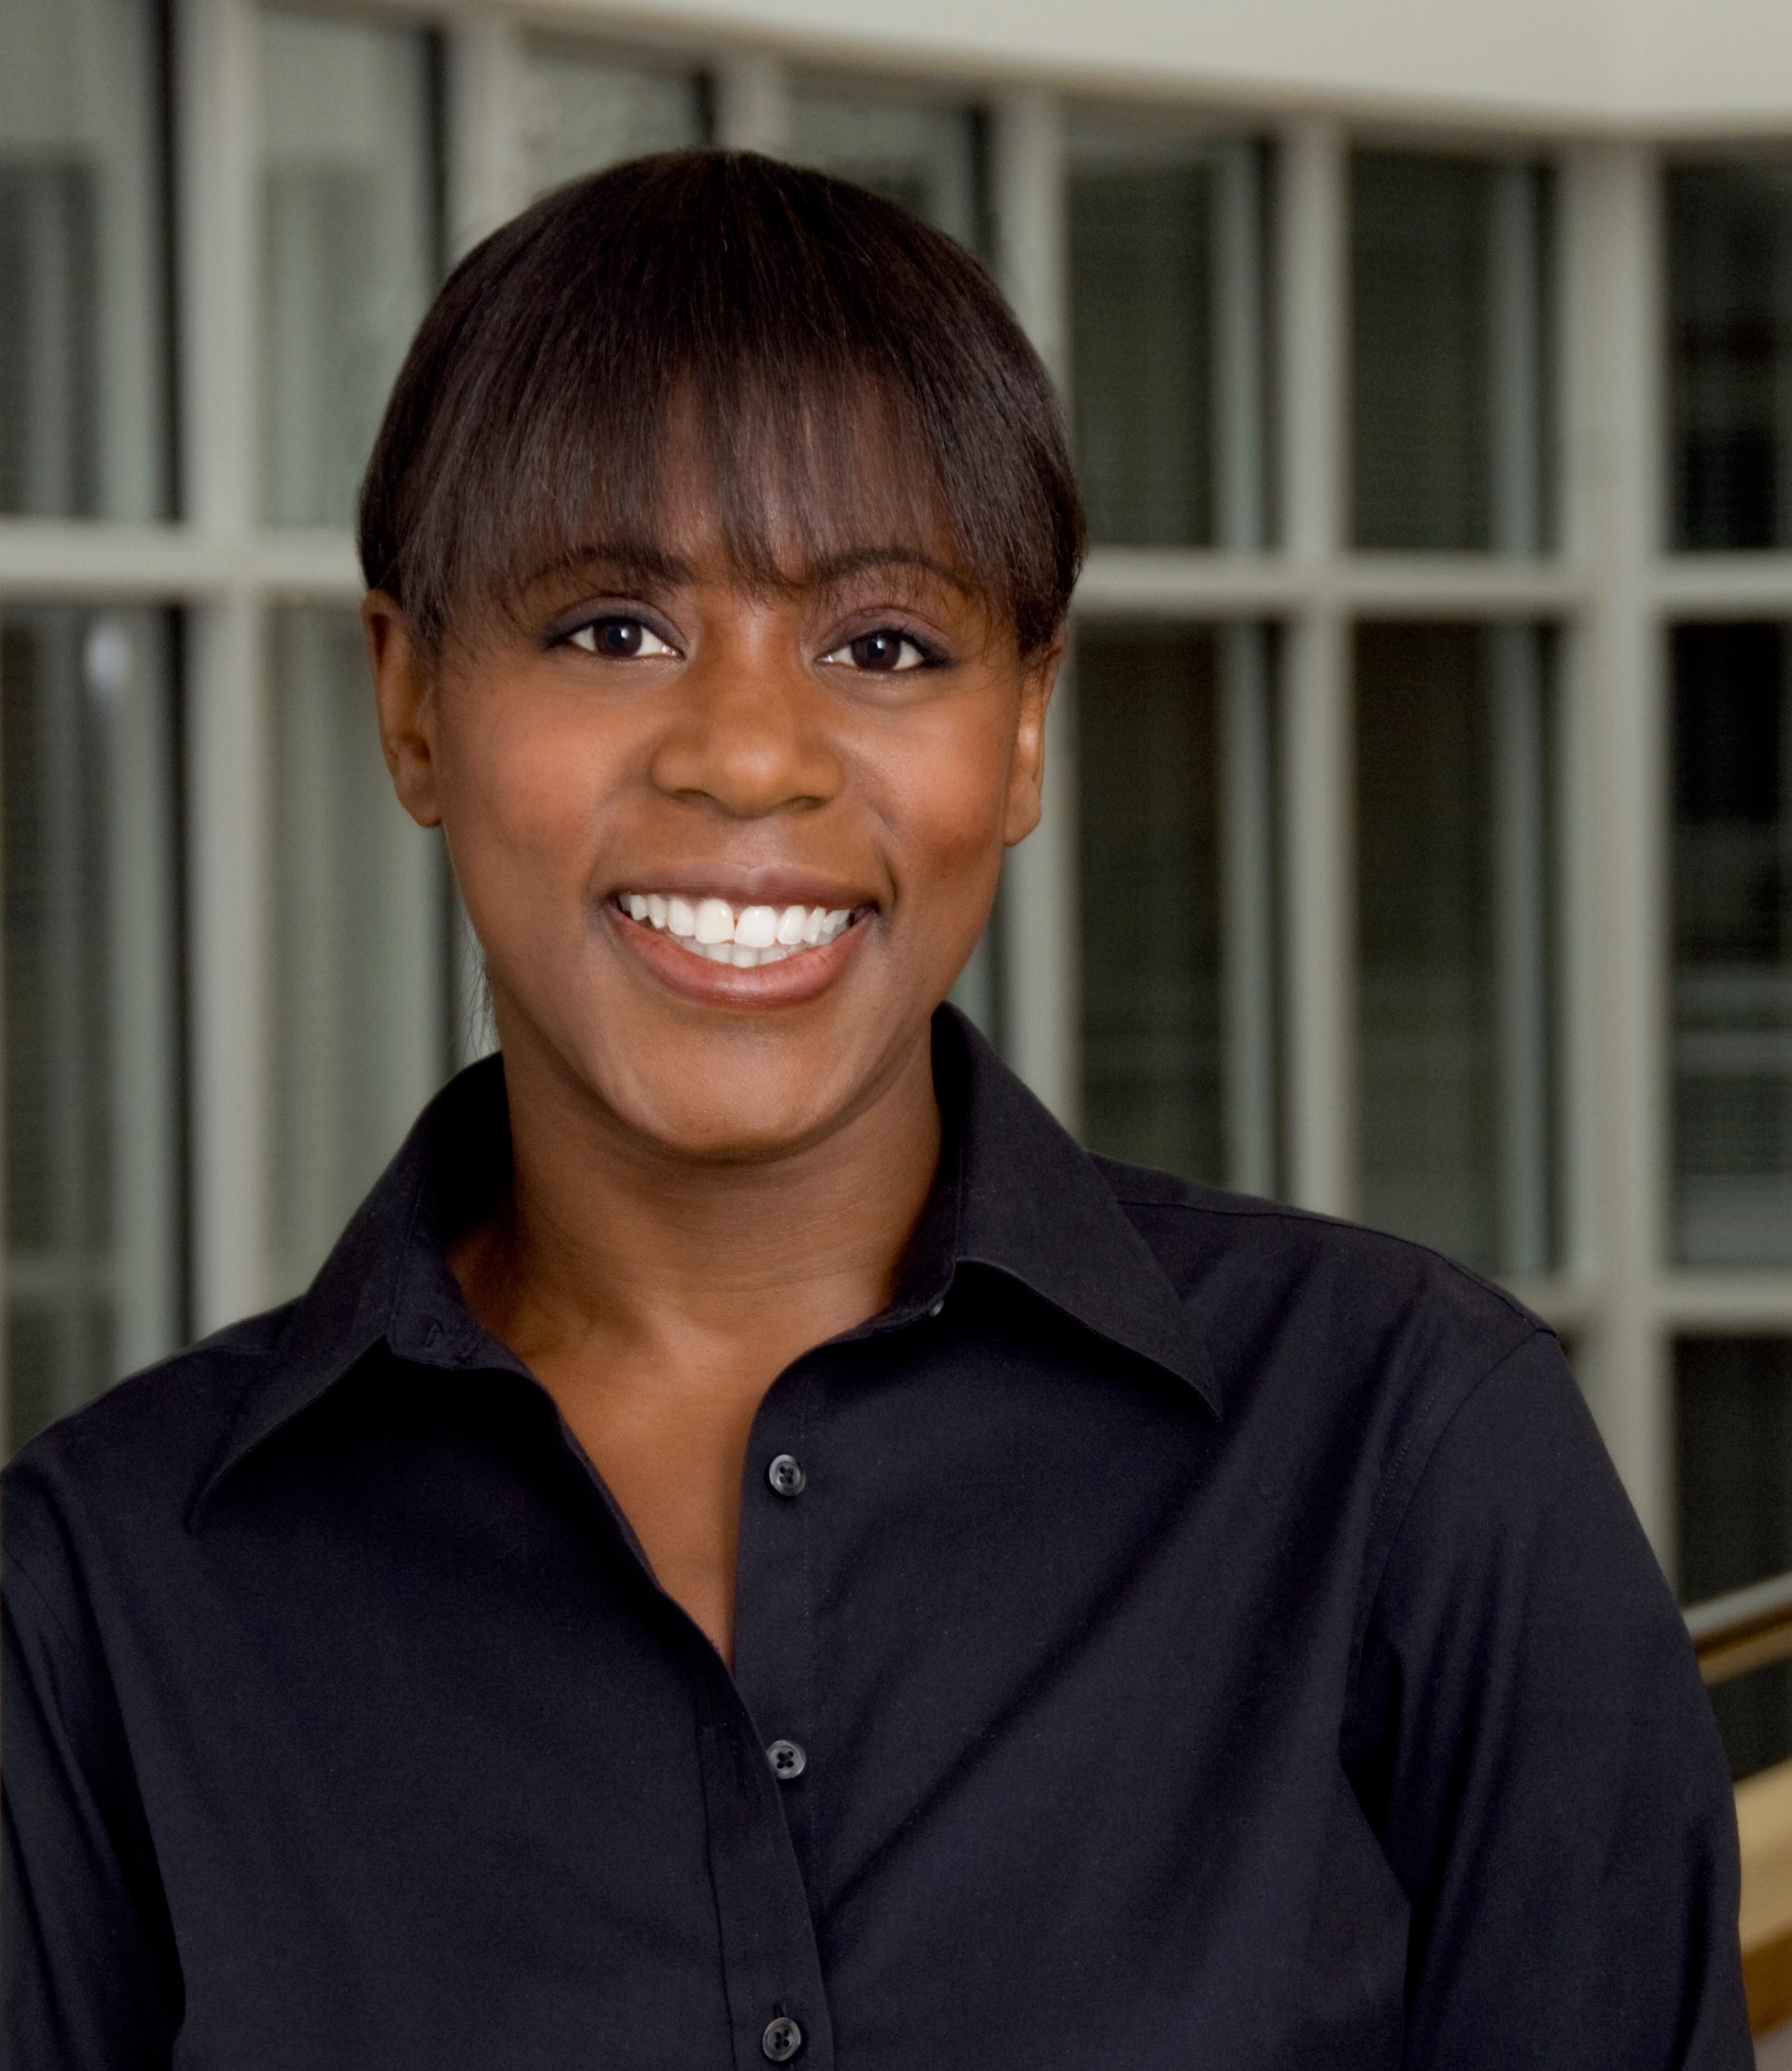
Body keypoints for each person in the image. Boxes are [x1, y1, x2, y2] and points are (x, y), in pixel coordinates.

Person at [1, 150, 1751, 2070]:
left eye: (883, 648)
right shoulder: (98, 1597)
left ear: (1019, 734)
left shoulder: (1406, 1458)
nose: (747, 757)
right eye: (610, 628)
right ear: (410, 698)